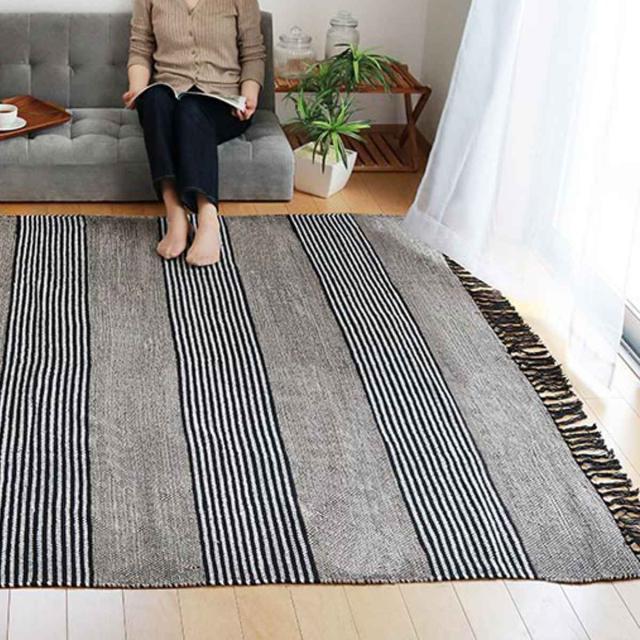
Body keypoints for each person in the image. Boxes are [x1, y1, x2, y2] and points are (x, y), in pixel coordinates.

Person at [123, 0, 265, 265]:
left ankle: (208, 219)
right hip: (170, 98)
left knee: (191, 107)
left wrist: (249, 97)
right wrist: (137, 89)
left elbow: (253, 53)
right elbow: (140, 48)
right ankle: (175, 214)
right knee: (153, 100)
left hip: (223, 104)